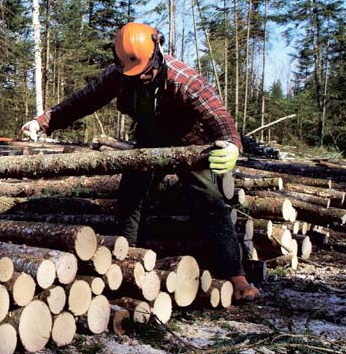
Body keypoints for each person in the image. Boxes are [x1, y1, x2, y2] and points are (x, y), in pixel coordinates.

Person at [19, 22, 259, 302]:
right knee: (131, 196)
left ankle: (236, 276)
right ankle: (125, 262)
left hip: (190, 142)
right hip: (149, 139)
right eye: (134, 74)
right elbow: (82, 101)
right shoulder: (118, 74)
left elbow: (217, 113)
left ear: (156, 52)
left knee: (208, 200)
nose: (142, 77)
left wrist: (231, 144)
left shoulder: (183, 79)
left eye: (146, 71)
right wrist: (44, 122)